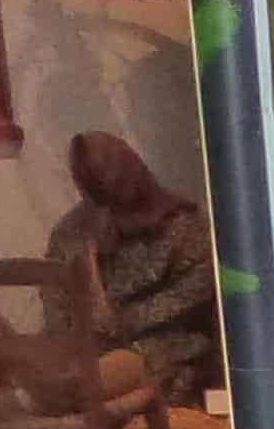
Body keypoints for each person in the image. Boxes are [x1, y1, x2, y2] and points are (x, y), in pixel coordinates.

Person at [45, 130, 219, 403]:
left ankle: (59, 396)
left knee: (129, 365)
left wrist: (111, 320)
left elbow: (190, 298)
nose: (108, 213)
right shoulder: (72, 232)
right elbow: (57, 307)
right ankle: (52, 396)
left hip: (168, 351)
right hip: (87, 353)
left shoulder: (183, 227)